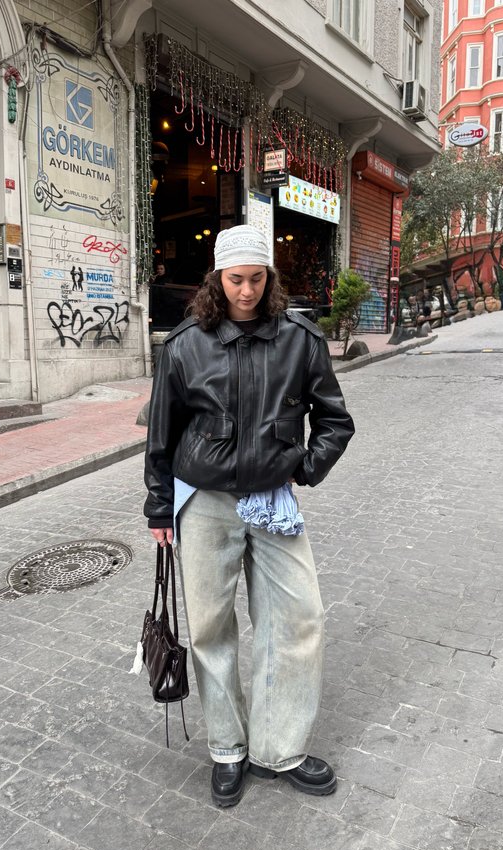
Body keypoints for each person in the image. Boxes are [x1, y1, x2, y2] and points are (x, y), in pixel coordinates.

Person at [144, 225, 355, 808]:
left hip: (274, 502)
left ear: (270, 277)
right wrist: (159, 504)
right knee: (212, 628)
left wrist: (304, 467)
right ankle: (227, 747)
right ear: (218, 277)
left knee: (298, 619)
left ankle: (279, 747)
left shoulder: (299, 338)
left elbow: (336, 421)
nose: (246, 291)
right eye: (235, 279)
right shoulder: (185, 344)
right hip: (205, 503)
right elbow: (160, 434)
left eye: (256, 279)